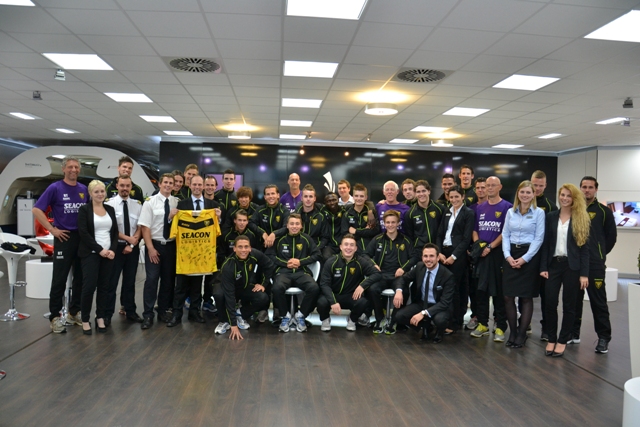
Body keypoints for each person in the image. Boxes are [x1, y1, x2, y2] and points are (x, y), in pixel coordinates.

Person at [32, 156, 87, 333]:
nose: (73, 170)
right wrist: (52, 229)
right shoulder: (55, 188)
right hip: (63, 237)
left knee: (80, 278)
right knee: (59, 279)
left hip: (81, 239)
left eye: (76, 167)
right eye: (70, 167)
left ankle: (74, 312)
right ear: (63, 169)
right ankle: (55, 316)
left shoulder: (84, 189)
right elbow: (36, 209)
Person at [540, 183, 590, 357]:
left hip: (572, 267)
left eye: (569, 196)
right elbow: (545, 244)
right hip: (553, 265)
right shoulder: (551, 216)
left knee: (569, 306)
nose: (565, 198)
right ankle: (551, 338)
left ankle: (562, 340)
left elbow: (585, 250)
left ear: (574, 198)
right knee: (550, 303)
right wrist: (543, 267)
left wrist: (584, 273)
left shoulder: (581, 219)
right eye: (562, 195)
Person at [167, 175, 221, 327]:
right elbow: (173, 226)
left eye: (200, 184)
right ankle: (177, 314)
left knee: (197, 286)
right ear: (190, 186)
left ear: (204, 186)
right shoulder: (181, 205)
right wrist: (171, 217)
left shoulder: (213, 205)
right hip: (185, 254)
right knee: (180, 286)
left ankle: (194, 312)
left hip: (202, 255)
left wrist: (219, 218)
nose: (197, 187)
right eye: (194, 184)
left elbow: (218, 230)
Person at [571, 176, 617, 354]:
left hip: (595, 265)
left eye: (590, 187)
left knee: (598, 303)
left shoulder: (604, 211)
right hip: (575, 264)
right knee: (574, 301)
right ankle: (573, 334)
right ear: (580, 188)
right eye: (584, 187)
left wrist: (599, 254)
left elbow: (610, 238)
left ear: (596, 189)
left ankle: (604, 338)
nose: (586, 190)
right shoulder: (573, 209)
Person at [501, 181, 545, 348]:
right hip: (511, 254)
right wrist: (507, 255)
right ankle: (512, 332)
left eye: (528, 192)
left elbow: (538, 238)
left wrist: (525, 258)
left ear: (534, 194)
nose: (525, 195)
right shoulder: (510, 212)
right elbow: (505, 235)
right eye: (522, 192)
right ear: (518, 193)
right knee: (508, 296)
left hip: (529, 257)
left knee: (526, 297)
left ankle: (521, 334)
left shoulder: (539, 213)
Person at [470, 176, 512, 342]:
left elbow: (505, 232)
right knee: (480, 291)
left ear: (500, 186)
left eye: (493, 185)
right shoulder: (480, 208)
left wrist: (490, 247)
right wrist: (479, 246)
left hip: (497, 254)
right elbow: (475, 230)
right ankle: (482, 324)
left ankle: (501, 326)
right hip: (481, 254)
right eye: (487, 185)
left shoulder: (507, 207)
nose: (490, 188)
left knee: (498, 292)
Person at [137, 173, 179, 329]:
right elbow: (145, 227)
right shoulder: (150, 203)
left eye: (171, 183)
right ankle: (148, 314)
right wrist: (150, 248)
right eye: (165, 182)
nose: (168, 185)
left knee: (168, 281)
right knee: (152, 280)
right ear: (160, 184)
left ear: (174, 185)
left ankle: (162, 311)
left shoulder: (177, 202)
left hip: (171, 246)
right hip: (154, 244)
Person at [77, 180, 118, 334]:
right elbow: (84, 233)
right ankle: (85, 319)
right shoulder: (84, 210)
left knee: (104, 287)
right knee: (88, 288)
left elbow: (114, 232)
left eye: (102, 191)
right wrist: (100, 250)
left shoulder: (110, 209)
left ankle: (100, 316)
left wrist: (112, 250)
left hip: (108, 254)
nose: (100, 194)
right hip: (91, 254)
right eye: (96, 192)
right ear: (90, 193)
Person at [392, 243, 456, 343]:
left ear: (438, 257)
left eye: (431, 256)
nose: (428, 259)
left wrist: (423, 313)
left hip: (439, 305)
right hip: (422, 303)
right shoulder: (419, 267)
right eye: (425, 256)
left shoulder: (447, 276)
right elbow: (403, 279)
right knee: (400, 316)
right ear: (422, 257)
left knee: (440, 320)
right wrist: (399, 291)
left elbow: (444, 302)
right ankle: (426, 327)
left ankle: (439, 331)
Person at [268, 214, 321, 332]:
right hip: (283, 272)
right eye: (292, 224)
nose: (294, 226)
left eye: (297, 224)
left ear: (301, 226)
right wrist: (285, 263)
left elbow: (317, 255)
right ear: (287, 225)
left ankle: (301, 315)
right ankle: (285, 316)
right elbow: (270, 256)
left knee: (314, 288)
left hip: (301, 272)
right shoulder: (279, 239)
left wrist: (300, 262)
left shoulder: (306, 238)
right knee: (277, 288)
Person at [214, 236, 274, 339]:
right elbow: (230, 297)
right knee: (219, 295)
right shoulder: (228, 266)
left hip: (243, 286)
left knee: (263, 297)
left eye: (246, 247)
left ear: (250, 248)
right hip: (224, 287)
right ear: (234, 248)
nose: (243, 250)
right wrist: (233, 325)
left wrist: (263, 284)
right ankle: (224, 320)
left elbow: (269, 265)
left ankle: (240, 314)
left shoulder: (255, 254)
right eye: (240, 247)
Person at [317, 234, 380, 332]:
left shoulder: (360, 261)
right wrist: (333, 302)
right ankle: (325, 320)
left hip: (351, 296)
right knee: (321, 302)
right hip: (334, 295)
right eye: (346, 244)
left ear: (355, 248)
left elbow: (376, 274)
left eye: (351, 245)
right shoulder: (331, 261)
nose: (348, 248)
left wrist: (362, 285)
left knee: (363, 302)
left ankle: (352, 320)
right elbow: (324, 284)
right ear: (341, 247)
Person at [365, 210, 414, 334]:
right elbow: (365, 255)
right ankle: (379, 319)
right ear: (383, 224)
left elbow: (414, 257)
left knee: (404, 291)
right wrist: (373, 264)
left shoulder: (406, 241)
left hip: (399, 277)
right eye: (388, 222)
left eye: (393, 222)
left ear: (398, 223)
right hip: (381, 275)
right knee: (372, 289)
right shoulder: (377, 239)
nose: (390, 225)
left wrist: (403, 268)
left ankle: (394, 320)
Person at [105, 175, 143, 324]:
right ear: (117, 186)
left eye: (127, 186)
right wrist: (128, 240)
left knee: (129, 282)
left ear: (131, 187)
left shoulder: (138, 205)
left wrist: (132, 244)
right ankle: (107, 314)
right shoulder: (109, 204)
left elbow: (141, 227)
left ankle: (130, 311)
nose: (125, 188)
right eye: (122, 185)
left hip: (132, 249)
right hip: (116, 247)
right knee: (111, 282)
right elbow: (111, 228)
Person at [436, 185, 474, 333]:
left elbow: (466, 239)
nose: (454, 199)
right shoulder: (447, 211)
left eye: (457, 197)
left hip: (458, 255)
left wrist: (453, 256)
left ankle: (455, 322)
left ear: (462, 196)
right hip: (443, 253)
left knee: (456, 289)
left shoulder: (468, 213)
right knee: (445, 289)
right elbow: (439, 234)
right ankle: (446, 319)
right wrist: (439, 252)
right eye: (451, 197)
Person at [404, 179, 446, 266]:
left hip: (438, 251)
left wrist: (440, 250)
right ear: (415, 193)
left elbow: (444, 230)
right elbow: (410, 236)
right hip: (420, 252)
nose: (421, 194)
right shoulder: (410, 213)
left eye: (424, 191)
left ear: (429, 191)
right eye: (418, 192)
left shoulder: (440, 209)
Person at [466, 177, 487, 331]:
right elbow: (469, 231)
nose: (481, 190)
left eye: (483, 187)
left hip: (491, 252)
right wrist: (475, 248)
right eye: (478, 188)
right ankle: (476, 316)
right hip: (473, 254)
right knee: (474, 288)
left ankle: (498, 319)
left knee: (491, 288)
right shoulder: (471, 208)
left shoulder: (500, 206)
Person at [249, 184, 290, 249]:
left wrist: (274, 234)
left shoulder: (284, 211)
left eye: (273, 193)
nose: (270, 196)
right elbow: (251, 223)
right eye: (268, 194)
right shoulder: (260, 210)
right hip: (262, 245)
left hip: (280, 247)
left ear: (278, 195)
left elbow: (286, 227)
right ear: (265, 197)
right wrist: (263, 233)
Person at [341, 183, 379, 253]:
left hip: (370, 250)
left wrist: (356, 231)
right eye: (356, 196)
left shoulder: (372, 213)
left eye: (361, 196)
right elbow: (345, 234)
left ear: (366, 197)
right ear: (353, 197)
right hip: (353, 251)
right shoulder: (347, 213)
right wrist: (366, 231)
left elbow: (376, 231)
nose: (359, 198)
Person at [295, 184, 328, 258]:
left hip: (315, 250)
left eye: (310, 196)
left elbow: (325, 238)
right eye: (305, 196)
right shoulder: (296, 216)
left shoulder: (321, 216)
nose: (308, 199)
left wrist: (315, 249)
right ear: (301, 198)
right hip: (298, 249)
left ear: (315, 198)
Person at [320, 192, 344, 260]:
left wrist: (370, 211)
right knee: (326, 257)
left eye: (334, 200)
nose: (332, 203)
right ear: (325, 202)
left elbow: (367, 203)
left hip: (342, 243)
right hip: (329, 244)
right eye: (329, 201)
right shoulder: (321, 210)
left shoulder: (344, 210)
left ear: (338, 200)